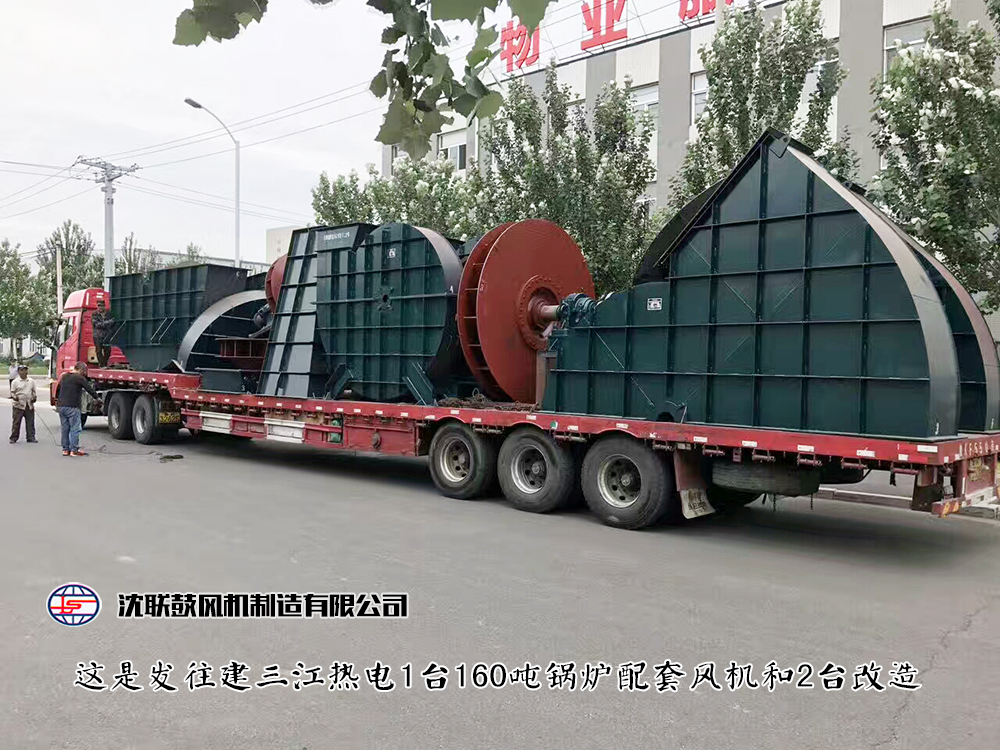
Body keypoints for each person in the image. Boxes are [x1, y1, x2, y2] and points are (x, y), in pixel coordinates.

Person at [55, 362, 100, 457]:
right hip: (72, 406)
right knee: (75, 428)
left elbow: (58, 389)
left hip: (61, 406)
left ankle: (65, 449)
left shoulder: (65, 376)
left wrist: (57, 402)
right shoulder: (79, 378)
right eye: (84, 371)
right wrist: (97, 398)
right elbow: (89, 389)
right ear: (81, 370)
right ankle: (74, 450)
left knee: (65, 429)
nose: (85, 373)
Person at [9, 364, 37, 444]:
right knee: (16, 422)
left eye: (25, 370)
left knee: (30, 422)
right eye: (21, 370)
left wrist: (34, 398)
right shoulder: (15, 382)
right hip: (18, 405)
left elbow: (34, 392)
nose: (24, 372)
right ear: (18, 372)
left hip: (29, 405)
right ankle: (13, 438)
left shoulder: (31, 381)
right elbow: (12, 392)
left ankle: (31, 437)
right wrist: (15, 397)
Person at [92, 300, 116, 368]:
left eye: (101, 306)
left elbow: (113, 322)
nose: (100, 307)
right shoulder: (94, 314)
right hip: (97, 335)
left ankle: (104, 363)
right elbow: (96, 324)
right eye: (98, 306)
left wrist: (104, 324)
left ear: (104, 306)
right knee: (98, 350)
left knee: (108, 351)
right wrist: (107, 323)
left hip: (106, 335)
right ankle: (102, 365)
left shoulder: (109, 314)